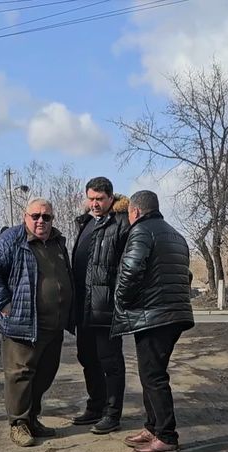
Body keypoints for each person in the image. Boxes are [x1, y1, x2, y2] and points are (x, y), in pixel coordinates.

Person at [0, 198, 74, 448]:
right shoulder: (12, 239)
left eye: (46, 217)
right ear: (25, 216)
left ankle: (32, 419)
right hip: (23, 323)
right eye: (36, 216)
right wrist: (3, 302)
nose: (41, 221)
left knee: (45, 374)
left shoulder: (57, 241)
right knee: (20, 375)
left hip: (53, 325)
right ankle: (18, 423)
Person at [111, 190, 194, 452]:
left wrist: (121, 300)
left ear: (134, 212)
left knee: (154, 376)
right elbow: (187, 275)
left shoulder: (142, 231)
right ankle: (153, 427)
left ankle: (166, 436)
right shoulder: (175, 235)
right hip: (173, 314)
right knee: (151, 373)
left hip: (154, 315)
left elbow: (132, 270)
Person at [70, 177, 130, 434]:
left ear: (110, 198)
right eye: (91, 199)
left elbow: (129, 266)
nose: (94, 204)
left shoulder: (121, 223)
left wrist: (120, 300)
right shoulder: (85, 223)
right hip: (83, 307)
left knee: (110, 362)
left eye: (100, 199)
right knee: (87, 358)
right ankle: (95, 406)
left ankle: (112, 413)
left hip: (106, 307)